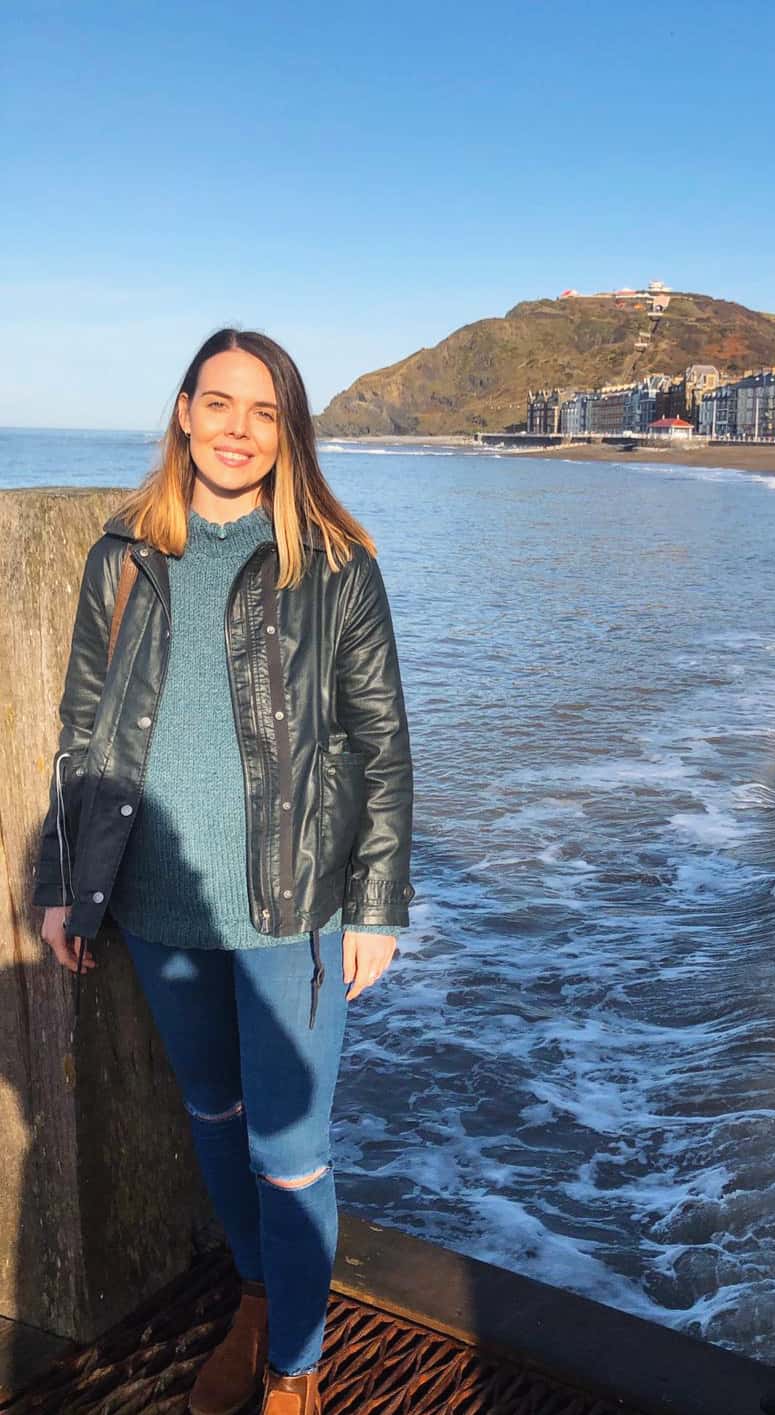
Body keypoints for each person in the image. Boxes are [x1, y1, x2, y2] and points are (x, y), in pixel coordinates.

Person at [33, 327, 415, 1415]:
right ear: (184, 413)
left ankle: (297, 1363)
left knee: (289, 1150)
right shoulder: (124, 555)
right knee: (211, 1110)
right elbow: (85, 729)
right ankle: (256, 1296)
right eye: (218, 403)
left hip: (293, 903)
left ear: (287, 430)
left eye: (262, 410)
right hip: (156, 900)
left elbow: (382, 741)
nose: (237, 429)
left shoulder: (336, 563)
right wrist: (70, 879)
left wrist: (377, 903)